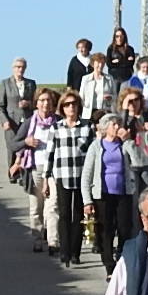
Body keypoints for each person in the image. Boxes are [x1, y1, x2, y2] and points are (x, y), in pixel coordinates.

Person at [43, 93, 98, 266]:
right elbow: (50, 153)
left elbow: (94, 152)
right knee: (64, 214)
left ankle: (76, 252)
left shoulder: (87, 127)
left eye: (74, 104)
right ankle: (64, 252)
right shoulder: (56, 128)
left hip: (82, 177)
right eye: (67, 105)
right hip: (62, 175)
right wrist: (46, 177)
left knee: (78, 215)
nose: (71, 108)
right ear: (62, 108)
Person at [81, 115, 138, 272]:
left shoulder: (124, 144)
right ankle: (109, 265)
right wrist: (87, 200)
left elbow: (138, 161)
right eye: (113, 124)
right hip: (102, 195)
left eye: (118, 123)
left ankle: (121, 258)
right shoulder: (96, 147)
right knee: (105, 230)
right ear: (106, 128)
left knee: (125, 228)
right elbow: (87, 174)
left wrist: (128, 141)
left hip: (123, 193)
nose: (117, 126)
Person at [14, 86, 59, 246]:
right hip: (34, 168)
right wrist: (26, 142)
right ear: (36, 103)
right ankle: (37, 239)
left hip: (54, 170)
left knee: (52, 206)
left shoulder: (59, 122)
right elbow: (14, 145)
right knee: (36, 207)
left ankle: (53, 241)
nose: (45, 103)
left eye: (48, 100)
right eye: (42, 100)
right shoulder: (29, 124)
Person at [0, 58, 35, 170]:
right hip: (12, 122)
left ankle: (24, 172)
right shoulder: (5, 83)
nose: (20, 69)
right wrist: (4, 121)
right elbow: (0, 106)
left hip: (27, 121)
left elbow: (37, 102)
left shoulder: (31, 84)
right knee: (12, 147)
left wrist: (28, 104)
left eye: (22, 67)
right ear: (13, 68)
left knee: (26, 147)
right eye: (18, 67)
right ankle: (12, 172)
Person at [100, 27, 137, 101]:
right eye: (117, 36)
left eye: (121, 36)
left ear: (124, 36)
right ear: (114, 37)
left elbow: (131, 63)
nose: (119, 38)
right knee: (114, 97)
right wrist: (125, 61)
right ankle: (114, 112)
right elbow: (109, 64)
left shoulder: (130, 49)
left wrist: (118, 61)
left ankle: (123, 112)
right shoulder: (110, 49)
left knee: (123, 97)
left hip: (126, 77)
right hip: (114, 77)